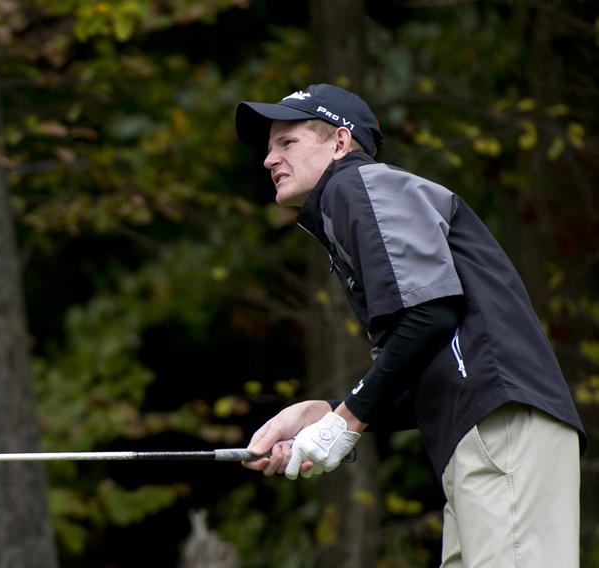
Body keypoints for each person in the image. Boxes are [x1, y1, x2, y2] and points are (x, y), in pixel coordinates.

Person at [234, 83, 586, 567]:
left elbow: (431, 315)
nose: (269, 160)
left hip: (501, 420)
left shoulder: (358, 186)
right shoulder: (355, 206)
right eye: (269, 148)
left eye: (287, 142)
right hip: (482, 431)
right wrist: (326, 412)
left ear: (339, 143)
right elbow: (424, 364)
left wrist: (346, 420)